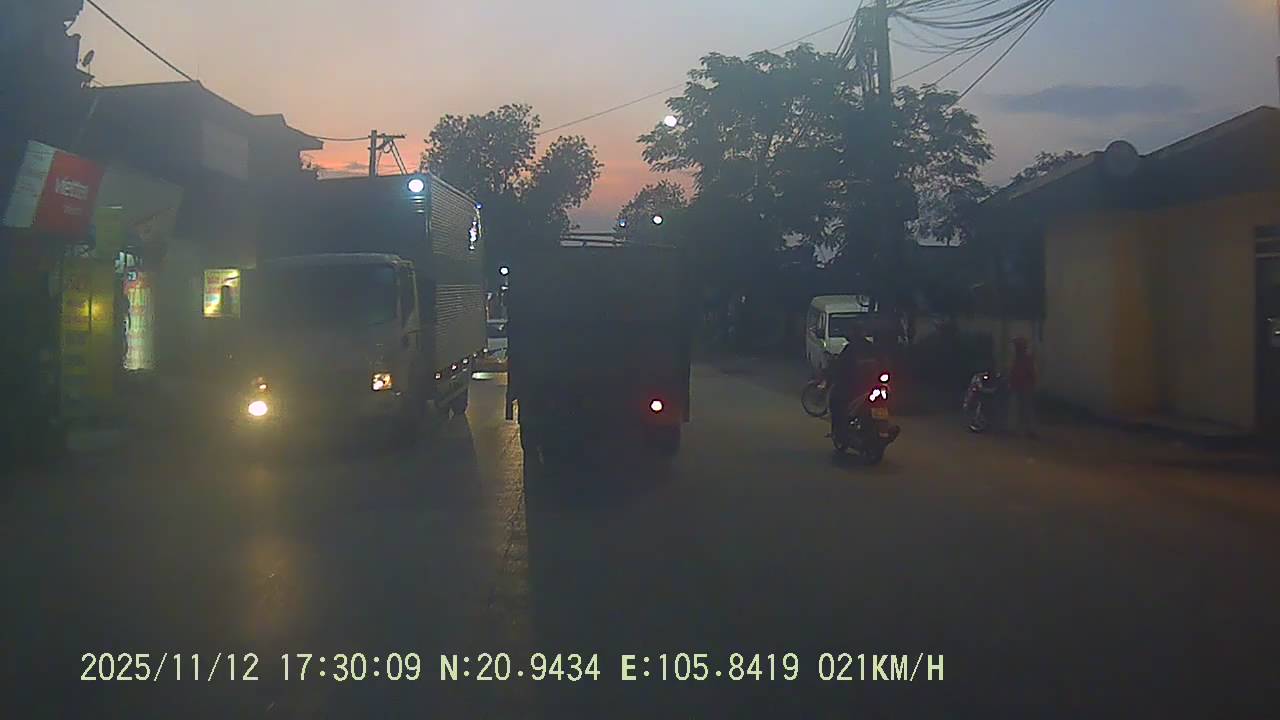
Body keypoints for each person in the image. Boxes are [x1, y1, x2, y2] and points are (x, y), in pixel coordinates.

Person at [1009, 337, 1038, 438]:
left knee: (1026, 409)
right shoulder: (1017, 359)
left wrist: (1031, 383)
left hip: (1025, 387)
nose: (1017, 348)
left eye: (1018, 346)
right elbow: (1013, 373)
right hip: (1019, 387)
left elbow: (1032, 373)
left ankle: (1029, 430)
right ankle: (1020, 429)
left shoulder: (1026, 359)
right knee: (1018, 409)